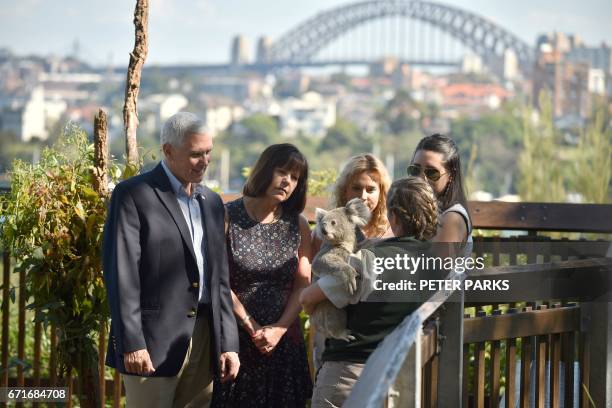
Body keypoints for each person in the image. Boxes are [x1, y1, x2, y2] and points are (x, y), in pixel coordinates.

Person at [102, 112, 239, 408]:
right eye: (195, 154)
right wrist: (133, 342)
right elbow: (121, 274)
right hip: (150, 342)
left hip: (204, 339)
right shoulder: (133, 194)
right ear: (168, 150)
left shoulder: (213, 203)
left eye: (208, 153)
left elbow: (220, 281)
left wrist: (229, 343)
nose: (204, 162)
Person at [301, 176, 439, 407]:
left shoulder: (368, 260)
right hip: (402, 378)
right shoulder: (436, 263)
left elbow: (307, 298)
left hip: (350, 374)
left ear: (392, 216)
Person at [212, 144, 313, 407]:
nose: (287, 181)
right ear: (265, 170)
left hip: (284, 343)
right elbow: (219, 280)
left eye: (295, 177)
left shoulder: (298, 224)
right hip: (237, 342)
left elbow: (303, 283)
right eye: (282, 172)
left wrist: (278, 330)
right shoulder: (227, 216)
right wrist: (253, 327)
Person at [309, 153, 393, 370]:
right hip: (334, 332)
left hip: (377, 337)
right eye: (356, 188)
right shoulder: (326, 229)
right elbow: (313, 284)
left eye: (371, 189)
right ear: (345, 190)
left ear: (382, 193)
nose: (363, 196)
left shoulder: (392, 232)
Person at [408, 133, 472, 245]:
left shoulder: (452, 218)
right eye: (415, 170)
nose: (421, 178)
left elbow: (436, 262)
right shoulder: (415, 213)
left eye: (432, 172)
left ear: (451, 175)